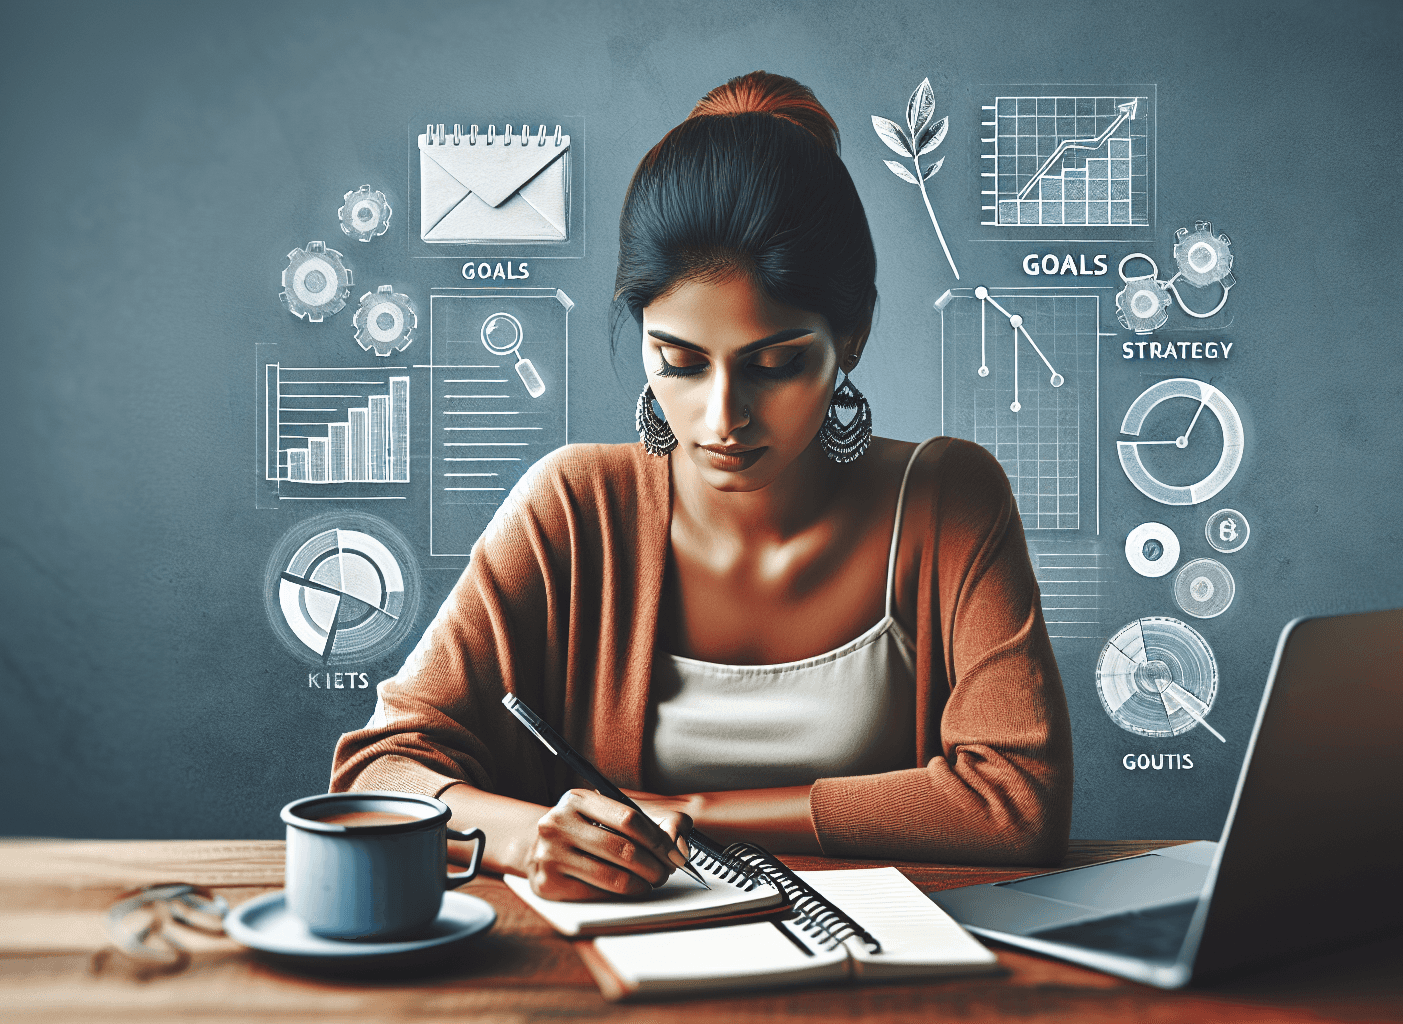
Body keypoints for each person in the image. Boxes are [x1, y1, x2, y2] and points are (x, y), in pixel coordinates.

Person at [332, 71, 1072, 901]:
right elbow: (376, 774)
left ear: (853, 335)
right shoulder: (573, 510)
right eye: (679, 362)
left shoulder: (948, 503)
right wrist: (522, 836)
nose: (723, 418)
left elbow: (1017, 802)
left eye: (777, 365)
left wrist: (692, 809)